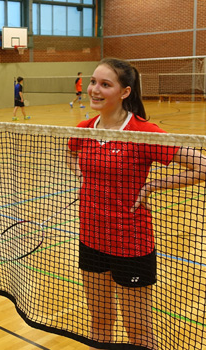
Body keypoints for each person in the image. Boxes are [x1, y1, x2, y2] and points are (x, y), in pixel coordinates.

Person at [67, 58, 206, 349]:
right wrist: (85, 180)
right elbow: (72, 153)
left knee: (138, 330)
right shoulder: (84, 129)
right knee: (99, 321)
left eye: (105, 84)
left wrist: (154, 184)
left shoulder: (144, 132)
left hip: (130, 244)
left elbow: (202, 167)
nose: (94, 89)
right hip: (91, 239)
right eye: (94, 82)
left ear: (125, 92)